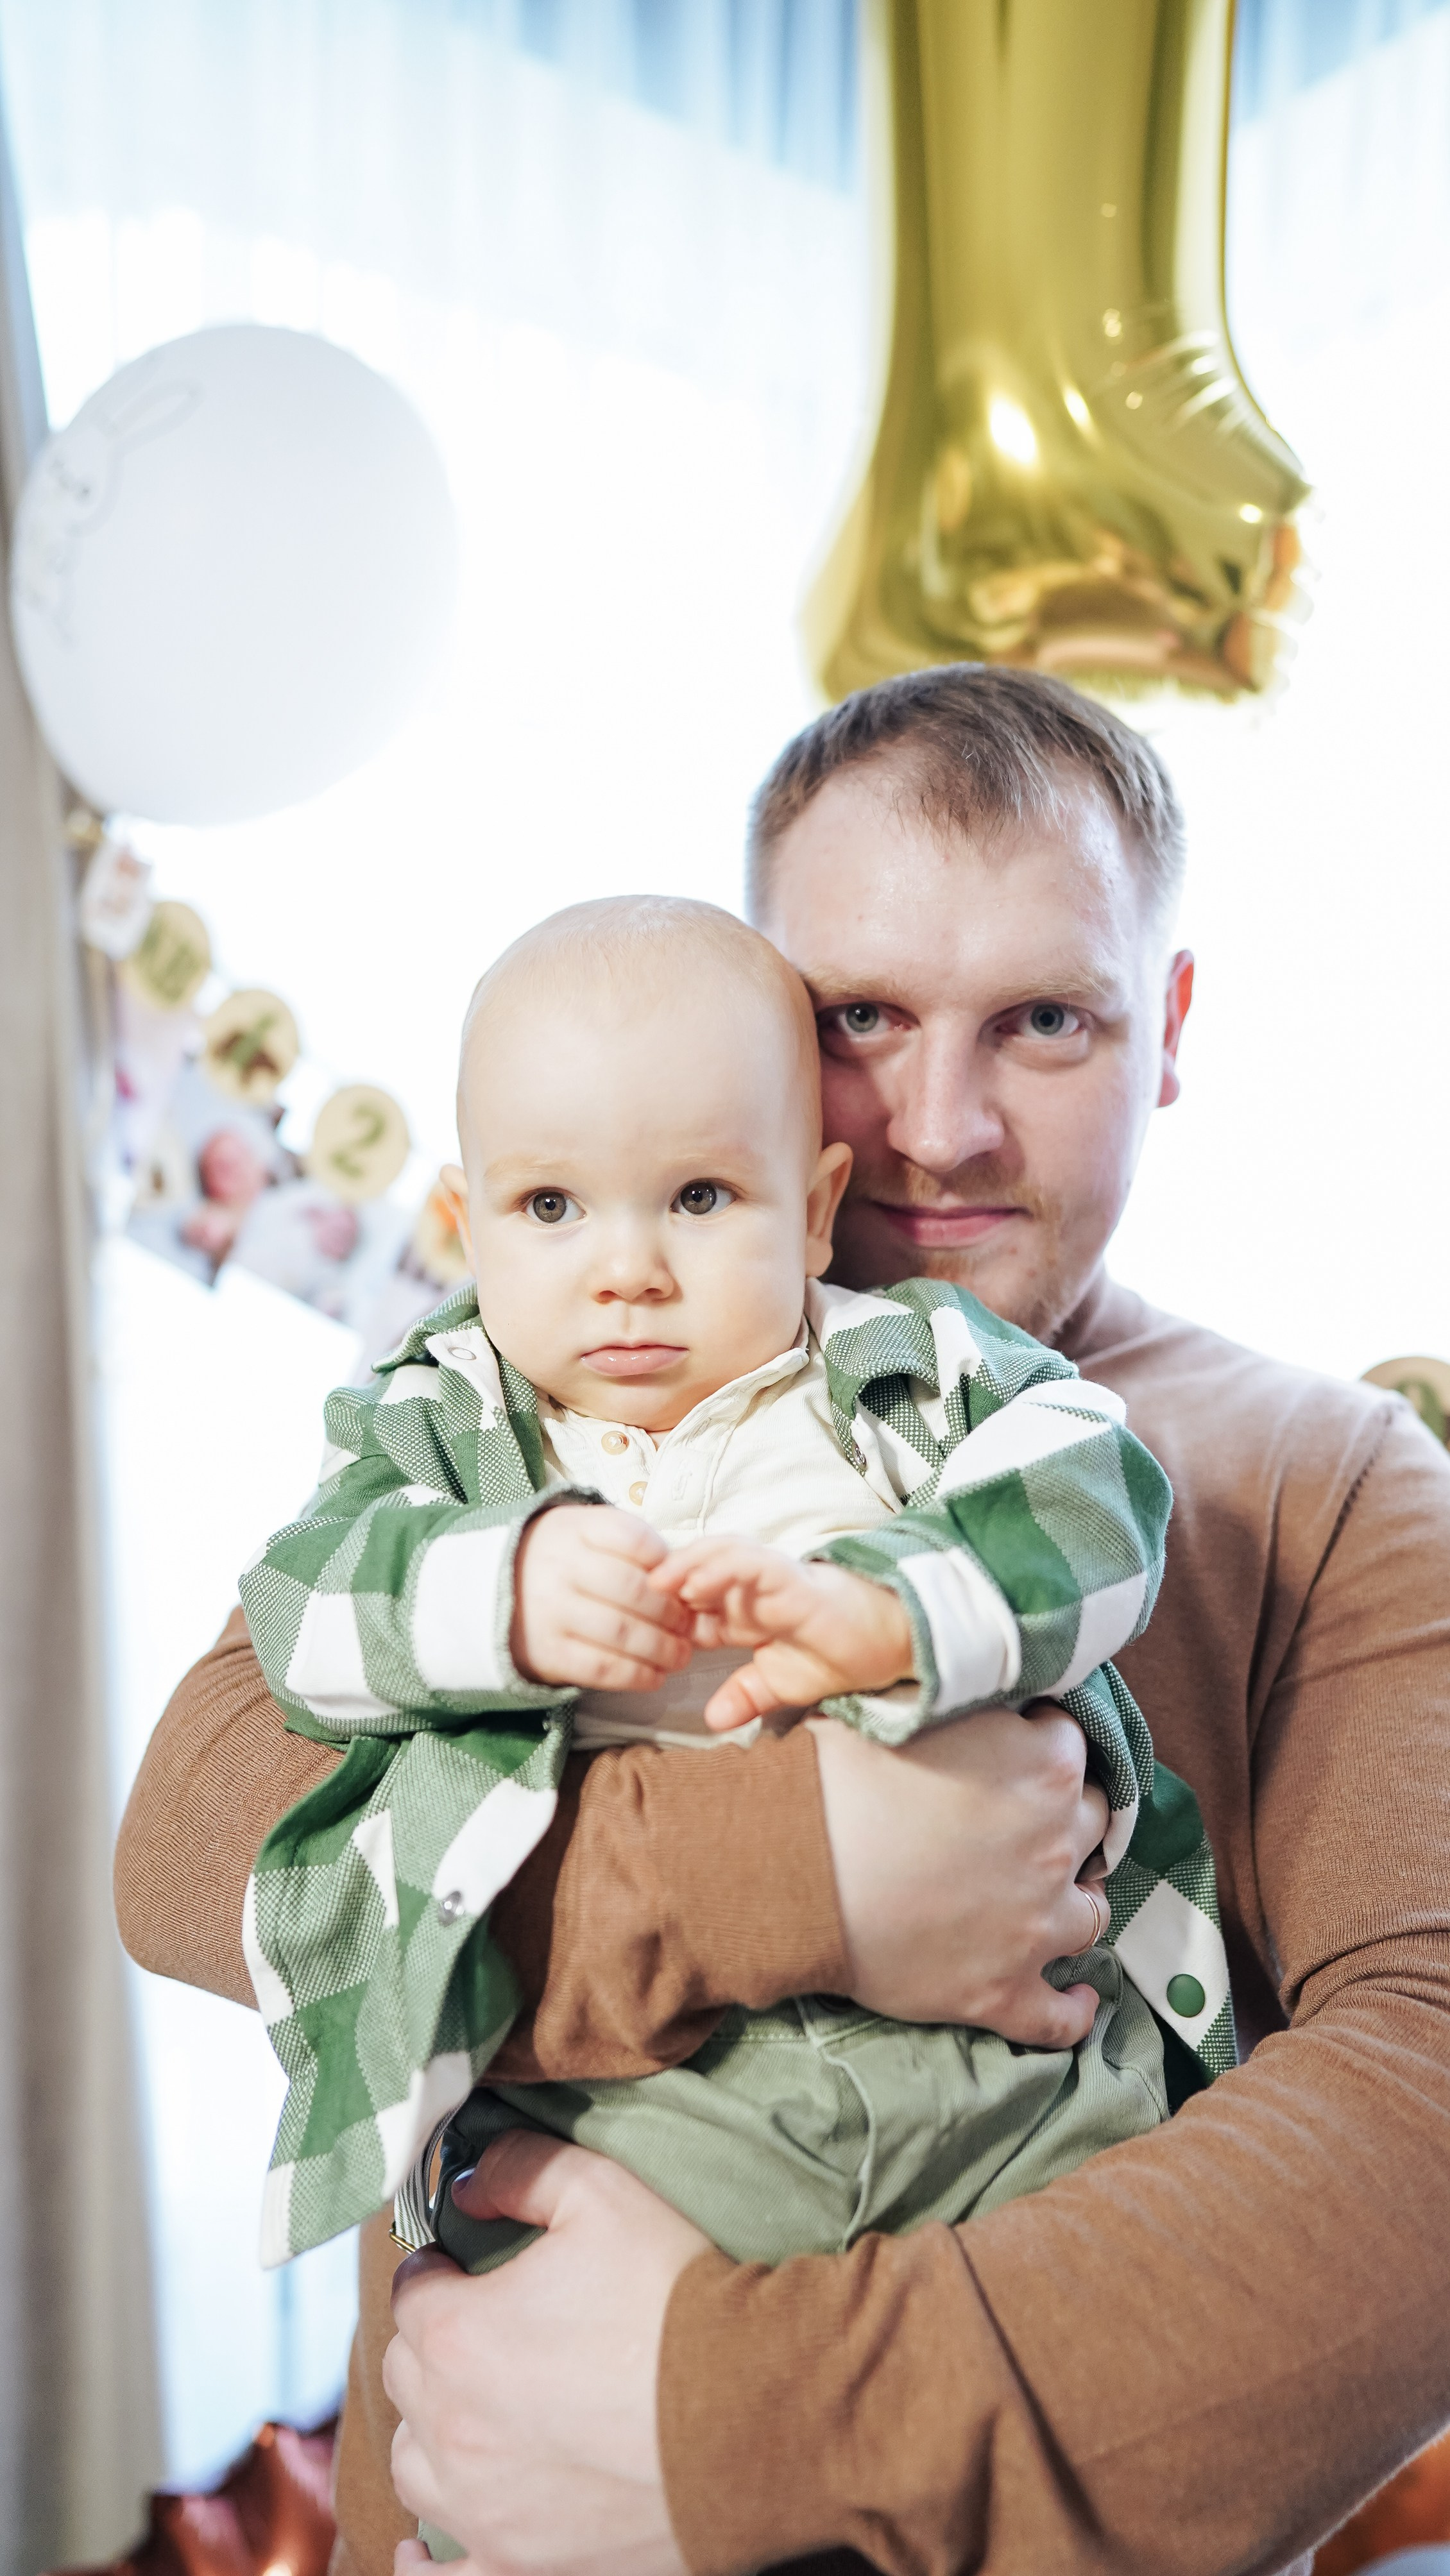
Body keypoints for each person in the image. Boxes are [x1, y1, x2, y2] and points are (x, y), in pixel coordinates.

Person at [115, 668, 1450, 2576]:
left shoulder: (1335, 1485)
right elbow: (191, 1847)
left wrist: (735, 2410)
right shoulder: (517, 1388)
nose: (938, 1125)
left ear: (1161, 1029)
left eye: (1045, 1022)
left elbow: (1423, 2117)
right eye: (858, 1020)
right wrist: (807, 1866)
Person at [237, 892, 1207, 2305]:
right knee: (556, 2386)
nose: (626, 1269)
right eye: (551, 1207)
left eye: (698, 1199)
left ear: (812, 1212)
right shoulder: (438, 1425)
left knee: (1117, 2325)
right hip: (642, 2105)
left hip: (1007, 2070)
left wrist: (892, 1609)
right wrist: (497, 1588)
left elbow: (1093, 1487)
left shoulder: (903, 1370)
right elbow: (299, 1609)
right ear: (467, 1218)